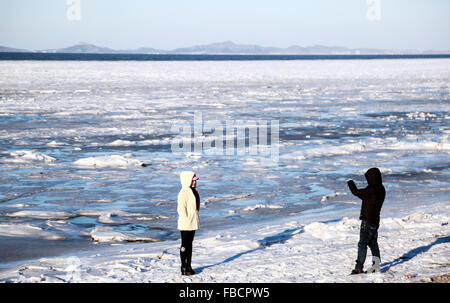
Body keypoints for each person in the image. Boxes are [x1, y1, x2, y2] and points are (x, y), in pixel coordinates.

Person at [347, 167, 385, 275]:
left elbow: (356, 192)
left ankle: (358, 268)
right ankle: (376, 266)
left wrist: (350, 182)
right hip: (375, 222)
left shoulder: (371, 189)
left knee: (362, 244)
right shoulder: (381, 189)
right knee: (373, 244)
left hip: (367, 222)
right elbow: (366, 197)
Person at [177, 171, 200, 276]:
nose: (194, 182)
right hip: (186, 223)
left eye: (195, 180)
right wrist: (186, 219)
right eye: (193, 180)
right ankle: (183, 266)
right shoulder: (183, 192)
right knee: (185, 244)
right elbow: (181, 209)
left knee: (190, 244)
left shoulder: (193, 191)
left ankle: (189, 265)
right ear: (188, 180)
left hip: (192, 222)